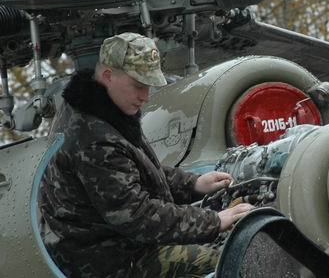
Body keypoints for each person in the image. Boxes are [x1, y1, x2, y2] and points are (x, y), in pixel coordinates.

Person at [40, 32, 254, 277]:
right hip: (109, 262)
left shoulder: (104, 108)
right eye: (139, 86)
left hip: (120, 245)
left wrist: (193, 183)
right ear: (108, 76)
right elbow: (137, 216)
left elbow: (135, 171)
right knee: (228, 262)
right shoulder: (93, 138)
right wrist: (215, 221)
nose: (145, 96)